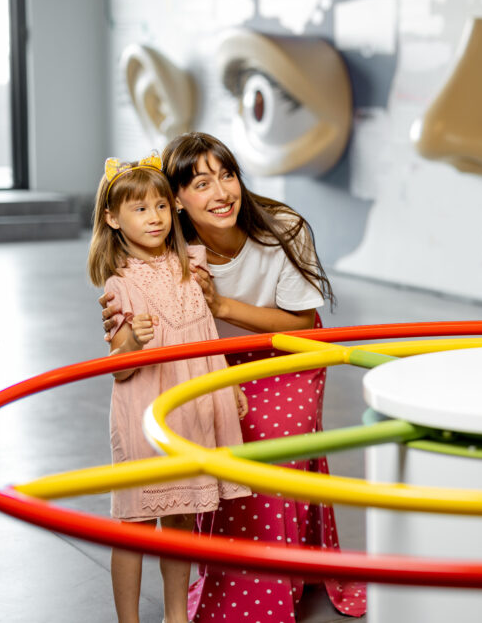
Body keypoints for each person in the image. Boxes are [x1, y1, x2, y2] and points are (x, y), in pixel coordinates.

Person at [100, 132, 366, 620]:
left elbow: (302, 324)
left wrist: (219, 303)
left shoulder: (282, 228)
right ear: (175, 200)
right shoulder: (171, 247)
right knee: (216, 447)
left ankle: (272, 582)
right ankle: (232, 581)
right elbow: (127, 302)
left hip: (286, 348)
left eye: (227, 176)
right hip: (209, 360)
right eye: (200, 183)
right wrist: (123, 327)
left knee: (268, 441)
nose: (221, 193)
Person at [87, 154, 251, 623]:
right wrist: (132, 341)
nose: (154, 217)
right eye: (139, 209)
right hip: (145, 413)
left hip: (195, 407)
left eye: (161, 205)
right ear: (113, 218)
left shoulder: (191, 266)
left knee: (180, 520)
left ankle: (177, 616)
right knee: (135, 525)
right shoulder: (119, 286)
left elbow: (206, 334)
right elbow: (119, 370)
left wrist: (225, 381)